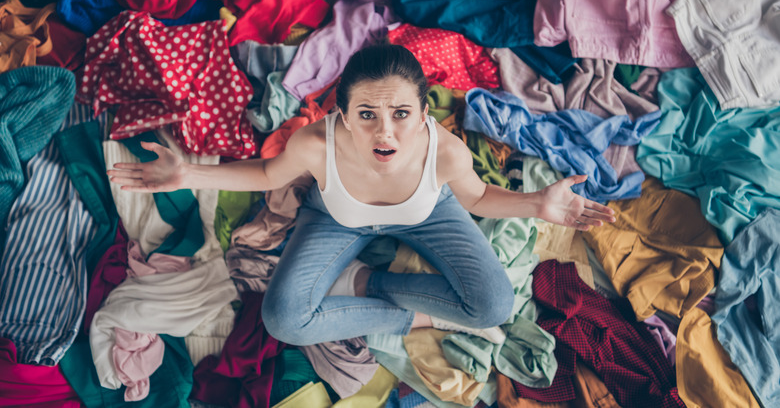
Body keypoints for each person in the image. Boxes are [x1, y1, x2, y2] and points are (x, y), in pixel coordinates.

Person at [108, 44, 615, 346]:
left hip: (427, 215)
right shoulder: (314, 142)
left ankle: (367, 282)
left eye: (401, 114)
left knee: (493, 306)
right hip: (334, 218)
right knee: (283, 320)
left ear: (423, 115)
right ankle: (391, 302)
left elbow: (478, 198)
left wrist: (538, 206)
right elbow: (266, 175)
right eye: (367, 115)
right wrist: (189, 174)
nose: (385, 134)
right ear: (343, 116)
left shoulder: (446, 152)